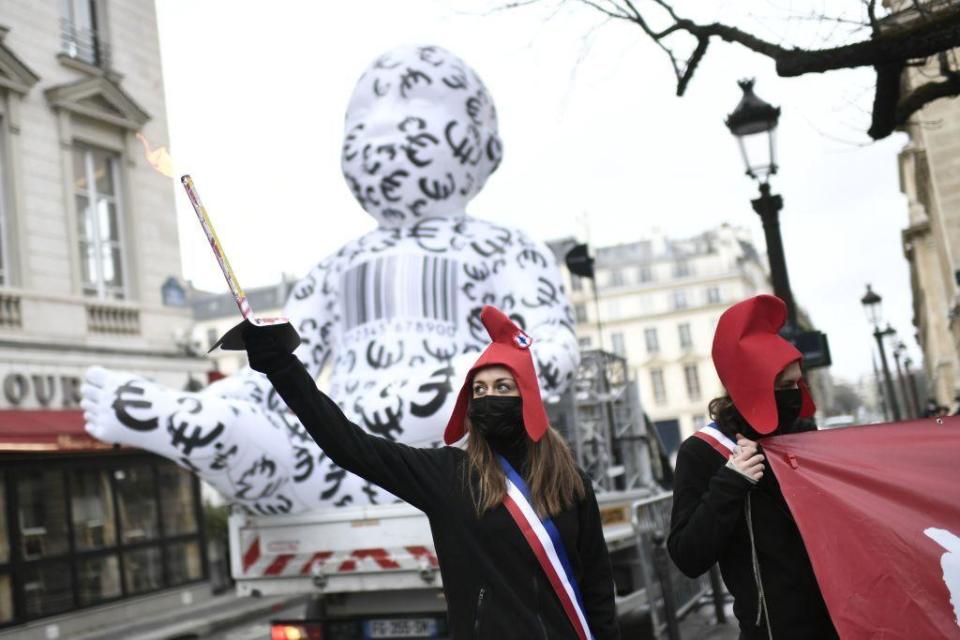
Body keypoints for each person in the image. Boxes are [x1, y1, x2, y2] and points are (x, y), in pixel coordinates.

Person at [243, 305, 619, 639]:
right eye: (479, 389)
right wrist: (282, 368)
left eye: (503, 386)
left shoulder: (571, 483)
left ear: (528, 397)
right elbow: (349, 445)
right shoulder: (449, 475)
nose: (489, 397)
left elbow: (598, 588)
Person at [667, 295, 838, 640]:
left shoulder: (804, 435)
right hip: (769, 630)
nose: (795, 394)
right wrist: (730, 483)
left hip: (837, 619)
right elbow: (688, 556)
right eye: (784, 386)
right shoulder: (702, 452)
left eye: (797, 383)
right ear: (753, 385)